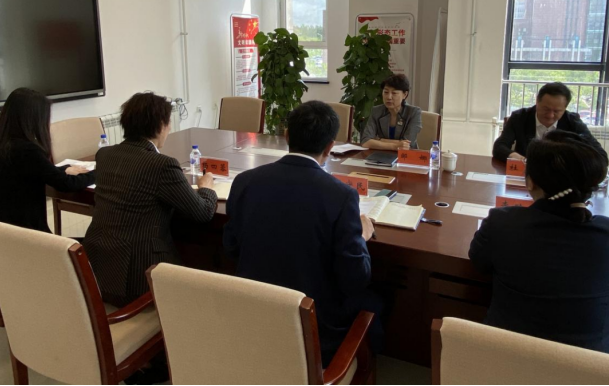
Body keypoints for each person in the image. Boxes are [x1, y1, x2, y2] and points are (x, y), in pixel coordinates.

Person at [224, 101, 382, 367]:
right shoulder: (341, 196)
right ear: (330, 147)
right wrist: (362, 237)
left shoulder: (245, 181)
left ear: (286, 136)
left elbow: (230, 248)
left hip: (255, 313)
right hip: (315, 329)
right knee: (376, 301)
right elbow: (355, 278)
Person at [470, 130, 609, 356]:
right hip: (592, 368)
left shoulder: (502, 223)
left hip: (503, 361)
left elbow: (479, 263)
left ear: (530, 182)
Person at [84, 92, 218, 308]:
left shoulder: (105, 155)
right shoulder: (162, 165)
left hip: (96, 270)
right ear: (160, 126)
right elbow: (202, 213)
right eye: (168, 123)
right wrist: (206, 188)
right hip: (139, 277)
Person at [0, 88, 95, 233]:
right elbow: (66, 184)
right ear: (33, 118)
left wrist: (63, 170)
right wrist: (100, 172)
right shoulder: (26, 150)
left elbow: (26, 173)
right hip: (23, 236)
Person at [493, 82, 608, 163]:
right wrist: (518, 158)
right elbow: (499, 147)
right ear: (537, 101)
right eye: (546, 109)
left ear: (565, 108)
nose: (550, 115)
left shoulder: (573, 122)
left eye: (557, 111)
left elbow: (601, 156)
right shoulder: (520, 118)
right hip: (526, 176)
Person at [361, 74, 423, 150]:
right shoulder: (376, 111)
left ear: (405, 95)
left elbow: (406, 145)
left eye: (394, 93)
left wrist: (379, 140)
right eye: (386, 92)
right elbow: (365, 141)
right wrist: (395, 146)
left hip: (406, 155)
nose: (389, 97)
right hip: (381, 154)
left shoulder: (413, 112)